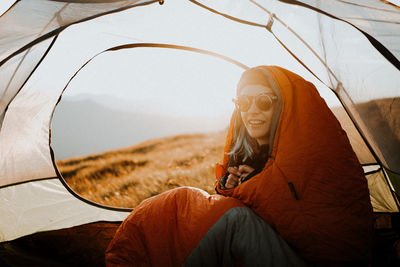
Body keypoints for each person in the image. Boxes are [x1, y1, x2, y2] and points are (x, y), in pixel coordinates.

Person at [106, 66, 373, 267]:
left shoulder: (314, 151)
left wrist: (249, 188)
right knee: (178, 205)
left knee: (230, 217)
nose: (252, 110)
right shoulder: (259, 155)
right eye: (244, 102)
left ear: (284, 107)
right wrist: (238, 185)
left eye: (264, 102)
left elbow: (306, 218)